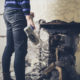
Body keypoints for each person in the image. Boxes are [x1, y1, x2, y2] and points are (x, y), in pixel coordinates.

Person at [2, 0, 35, 80]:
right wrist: (28, 18)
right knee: (20, 48)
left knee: (10, 46)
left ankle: (6, 77)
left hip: (7, 11)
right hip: (16, 14)